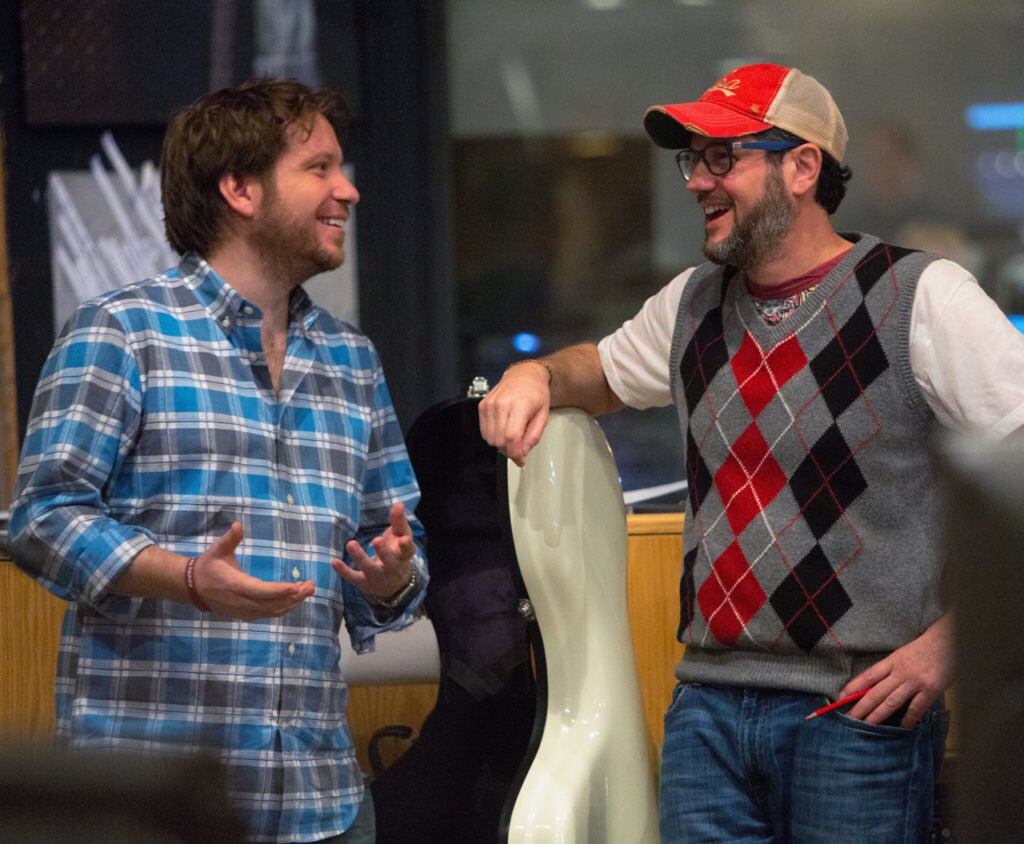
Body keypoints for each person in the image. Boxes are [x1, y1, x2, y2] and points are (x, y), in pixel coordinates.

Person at [478, 63, 1024, 842]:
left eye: (722, 157)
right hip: (706, 707)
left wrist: (949, 647)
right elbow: (596, 372)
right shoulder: (692, 302)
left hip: (858, 715)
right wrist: (534, 373)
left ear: (802, 167)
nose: (698, 180)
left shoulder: (919, 295)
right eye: (692, 159)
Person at [10, 78, 428, 843]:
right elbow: (41, 518)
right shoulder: (121, 332)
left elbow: (396, 559)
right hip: (153, 806)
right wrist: (189, 578)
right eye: (320, 168)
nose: (349, 190)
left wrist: (394, 576)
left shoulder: (352, 361)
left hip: (322, 805)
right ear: (239, 187)